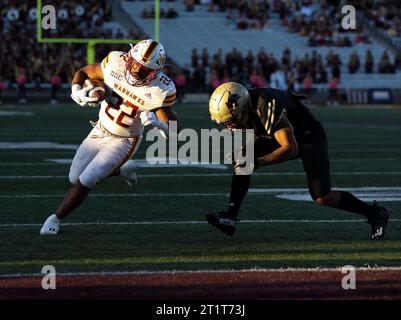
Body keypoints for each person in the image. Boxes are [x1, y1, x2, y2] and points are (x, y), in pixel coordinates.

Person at [206, 82, 391, 240]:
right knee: (243, 158)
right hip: (282, 135)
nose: (229, 126)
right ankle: (231, 215)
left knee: (322, 196)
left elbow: (290, 148)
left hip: (307, 136)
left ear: (241, 107)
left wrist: (260, 161)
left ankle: (375, 213)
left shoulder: (264, 104)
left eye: (230, 120)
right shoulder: (244, 107)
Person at [40, 39, 181, 235]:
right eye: (134, 64)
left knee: (87, 179)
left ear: (155, 72)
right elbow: (84, 73)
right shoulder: (116, 61)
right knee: (74, 177)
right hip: (99, 129)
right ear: (129, 57)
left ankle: (55, 218)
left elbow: (176, 131)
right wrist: (76, 92)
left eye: (143, 70)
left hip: (124, 140)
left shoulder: (159, 90)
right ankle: (123, 170)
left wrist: (159, 124)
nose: (135, 72)